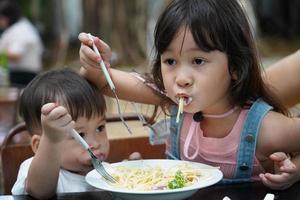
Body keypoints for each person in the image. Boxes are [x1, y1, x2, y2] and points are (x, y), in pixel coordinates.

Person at [78, 0, 300, 190]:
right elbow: (103, 81)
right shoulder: (171, 98)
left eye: (198, 61)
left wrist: (296, 170)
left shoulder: (264, 128)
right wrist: (96, 58)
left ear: (235, 66)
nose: (181, 78)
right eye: (170, 61)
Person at [11, 69, 140, 199]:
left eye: (99, 128)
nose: (95, 143)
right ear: (39, 146)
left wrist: (132, 177)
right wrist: (51, 140)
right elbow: (39, 192)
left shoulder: (105, 171)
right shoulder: (37, 171)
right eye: (80, 135)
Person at [0, 0, 43, 87]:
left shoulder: (21, 30)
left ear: (7, 17)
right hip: (18, 74)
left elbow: (16, 55)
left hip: (23, 75)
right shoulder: (16, 28)